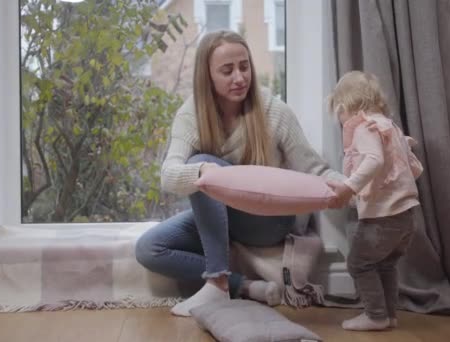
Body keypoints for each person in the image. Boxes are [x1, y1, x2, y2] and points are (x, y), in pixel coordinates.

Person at [135, 30, 341, 317]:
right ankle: (244, 287)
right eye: (227, 70)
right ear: (207, 76)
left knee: (207, 165)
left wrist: (353, 188)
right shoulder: (191, 115)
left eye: (244, 66)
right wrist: (205, 171)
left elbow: (315, 169)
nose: (239, 77)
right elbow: (168, 175)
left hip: (271, 219)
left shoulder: (274, 111)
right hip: (225, 216)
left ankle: (217, 283)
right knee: (149, 248)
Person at [326, 71, 424, 331]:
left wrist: (349, 187)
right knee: (386, 264)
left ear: (345, 107)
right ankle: (389, 315)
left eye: (339, 116)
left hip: (383, 218)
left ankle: (376, 315)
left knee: (358, 262)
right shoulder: (388, 125)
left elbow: (375, 160)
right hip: (405, 216)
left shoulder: (363, 127)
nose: (341, 122)